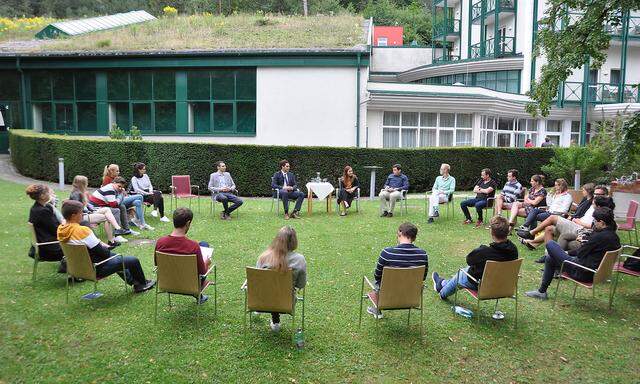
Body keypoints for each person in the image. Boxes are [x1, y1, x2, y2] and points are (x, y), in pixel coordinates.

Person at [57, 200, 156, 293]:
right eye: (81, 213)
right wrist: (106, 247)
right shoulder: (82, 231)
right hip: (95, 268)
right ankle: (141, 285)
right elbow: (104, 254)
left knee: (117, 257)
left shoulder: (61, 229)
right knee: (132, 260)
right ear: (74, 215)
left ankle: (136, 281)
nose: (83, 214)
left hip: (78, 267)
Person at [525, 207, 620, 300]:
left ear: (602, 223)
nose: (593, 223)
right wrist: (566, 252)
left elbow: (581, 253)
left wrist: (583, 242)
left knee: (550, 244)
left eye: (595, 221)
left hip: (582, 271)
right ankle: (542, 291)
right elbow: (584, 252)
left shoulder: (598, 237)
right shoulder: (614, 237)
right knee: (551, 257)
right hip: (596, 272)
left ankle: (542, 291)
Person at [432, 216, 518, 299]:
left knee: (462, 274)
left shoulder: (484, 252)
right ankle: (443, 283)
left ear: (492, 232)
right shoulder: (513, 250)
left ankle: (442, 292)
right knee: (468, 269)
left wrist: (480, 249)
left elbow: (469, 260)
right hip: (502, 285)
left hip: (481, 285)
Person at [517, 194, 612, 256]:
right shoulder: (593, 208)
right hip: (578, 224)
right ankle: (544, 252)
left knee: (553, 218)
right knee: (549, 228)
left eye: (598, 195)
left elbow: (592, 227)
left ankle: (531, 233)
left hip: (580, 228)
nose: (593, 201)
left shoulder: (601, 215)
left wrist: (576, 220)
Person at [367, 222, 428, 319]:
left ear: (399, 233)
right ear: (414, 237)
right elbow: (422, 278)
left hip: (388, 297)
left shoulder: (386, 252)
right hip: (410, 297)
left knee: (377, 283)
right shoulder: (423, 255)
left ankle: (378, 308)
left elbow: (377, 276)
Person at [155, 207, 213, 304]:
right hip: (191, 286)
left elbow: (157, 265)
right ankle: (199, 296)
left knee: (203, 244)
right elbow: (202, 272)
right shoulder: (193, 246)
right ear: (188, 223)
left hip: (167, 283)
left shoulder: (160, 242)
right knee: (204, 246)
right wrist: (207, 263)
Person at [256, 226, 307, 332]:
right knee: (278, 291)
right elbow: (301, 285)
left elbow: (258, 281)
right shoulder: (299, 260)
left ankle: (275, 321)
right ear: (294, 241)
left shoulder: (263, 257)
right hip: (286, 303)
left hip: (261, 302)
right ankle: (275, 321)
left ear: (277, 239)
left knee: (271, 289)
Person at [69, 175, 129, 247]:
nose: (87, 184)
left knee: (107, 211)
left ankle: (116, 232)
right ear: (82, 184)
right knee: (108, 216)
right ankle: (112, 238)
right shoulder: (77, 194)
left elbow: (87, 205)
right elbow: (78, 209)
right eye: (86, 183)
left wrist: (92, 210)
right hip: (81, 216)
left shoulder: (80, 192)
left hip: (88, 212)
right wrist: (90, 212)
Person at [26, 184, 66, 273]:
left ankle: (69, 266)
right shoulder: (42, 211)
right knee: (80, 242)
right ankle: (76, 270)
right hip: (49, 249)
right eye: (48, 192)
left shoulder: (37, 207)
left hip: (45, 245)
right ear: (42, 196)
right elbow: (57, 230)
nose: (50, 194)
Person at [101, 164, 148, 230]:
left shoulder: (116, 178)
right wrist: (122, 192)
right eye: (117, 171)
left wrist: (123, 192)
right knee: (140, 196)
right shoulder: (107, 180)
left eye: (118, 171)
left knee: (138, 202)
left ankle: (139, 222)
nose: (118, 172)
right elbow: (112, 194)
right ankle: (142, 223)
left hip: (122, 198)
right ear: (111, 171)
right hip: (117, 200)